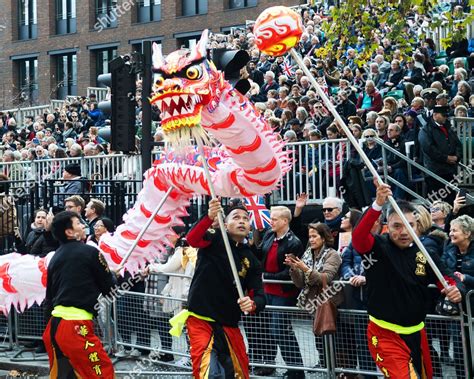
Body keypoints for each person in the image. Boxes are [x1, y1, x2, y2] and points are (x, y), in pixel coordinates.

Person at [352, 182, 462, 378]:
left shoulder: (425, 253)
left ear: (417, 226)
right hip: (385, 333)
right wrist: (377, 204)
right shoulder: (377, 247)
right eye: (397, 225)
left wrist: (454, 289)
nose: (403, 232)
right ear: (387, 226)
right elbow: (359, 237)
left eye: (409, 225)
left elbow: (447, 279)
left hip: (417, 334)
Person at [173, 199, 266, 379]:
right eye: (236, 217)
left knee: (238, 373)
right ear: (225, 223)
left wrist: (252, 304)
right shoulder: (214, 237)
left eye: (245, 219)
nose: (241, 221)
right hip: (201, 320)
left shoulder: (252, 259)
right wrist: (208, 217)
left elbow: (260, 295)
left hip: (229, 324)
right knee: (209, 373)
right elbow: (193, 238)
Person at [42, 211, 116, 378]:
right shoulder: (90, 252)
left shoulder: (55, 257)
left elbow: (49, 298)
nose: (84, 225)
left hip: (53, 329)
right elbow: (110, 289)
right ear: (69, 232)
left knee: (66, 375)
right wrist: (111, 275)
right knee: (101, 372)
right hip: (75, 327)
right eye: (78, 223)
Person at [253, 206, 304, 378]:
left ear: (284, 221)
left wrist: (264, 275)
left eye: (274, 219)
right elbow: (259, 253)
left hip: (283, 293)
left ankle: (296, 371)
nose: (271, 222)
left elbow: (289, 272)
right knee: (269, 330)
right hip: (267, 290)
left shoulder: (294, 242)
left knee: (280, 330)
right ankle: (275, 366)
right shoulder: (269, 234)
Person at [286, 223, 343, 368]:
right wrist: (294, 269)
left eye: (314, 236)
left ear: (324, 238)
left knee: (333, 337)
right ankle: (324, 364)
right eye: (309, 236)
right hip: (313, 302)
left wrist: (305, 269)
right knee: (318, 335)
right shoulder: (307, 254)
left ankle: (335, 368)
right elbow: (300, 284)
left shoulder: (332, 254)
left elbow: (325, 278)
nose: (311, 239)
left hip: (328, 301)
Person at [418, 105, 462, 204]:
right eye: (443, 115)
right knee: (436, 202)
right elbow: (429, 148)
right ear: (435, 115)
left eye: (446, 115)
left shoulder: (448, 128)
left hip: (450, 171)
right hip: (435, 172)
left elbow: (458, 144)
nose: (446, 117)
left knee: (451, 201)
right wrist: (446, 158)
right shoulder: (426, 129)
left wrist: (457, 157)